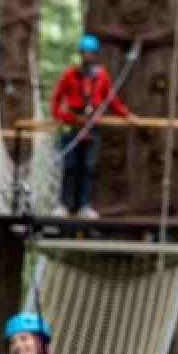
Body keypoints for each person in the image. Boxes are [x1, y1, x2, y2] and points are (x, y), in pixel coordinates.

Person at [49, 33, 132, 220]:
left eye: (91, 53)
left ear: (96, 54)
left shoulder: (101, 76)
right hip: (72, 124)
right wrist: (62, 116)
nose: (87, 56)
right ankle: (63, 204)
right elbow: (56, 97)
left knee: (87, 167)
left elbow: (110, 98)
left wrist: (125, 114)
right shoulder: (70, 75)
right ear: (80, 54)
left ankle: (84, 205)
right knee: (69, 166)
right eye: (84, 53)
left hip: (91, 125)